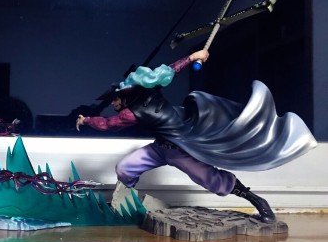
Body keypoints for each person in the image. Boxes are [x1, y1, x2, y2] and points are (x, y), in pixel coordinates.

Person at [76, 50, 317, 223]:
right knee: (126, 168)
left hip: (180, 150)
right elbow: (170, 70)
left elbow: (108, 124)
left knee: (214, 181)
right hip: (160, 149)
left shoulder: (132, 111)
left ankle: (257, 201)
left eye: (114, 100)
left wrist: (86, 120)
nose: (113, 104)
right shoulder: (146, 93)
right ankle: (125, 203)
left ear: (124, 96)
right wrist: (191, 58)